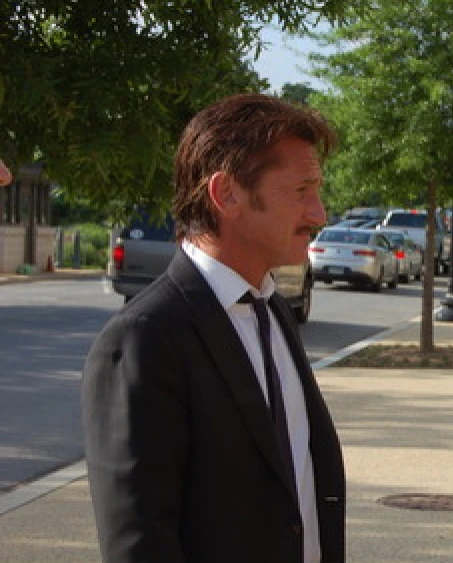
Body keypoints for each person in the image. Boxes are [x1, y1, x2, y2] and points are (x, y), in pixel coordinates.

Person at [82, 94, 346, 563]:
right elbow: (139, 543)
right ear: (226, 194)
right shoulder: (146, 339)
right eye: (301, 191)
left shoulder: (274, 311)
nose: (318, 214)